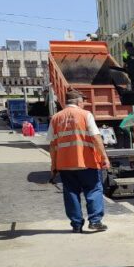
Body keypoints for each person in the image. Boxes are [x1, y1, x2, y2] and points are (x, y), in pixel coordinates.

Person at [48, 90, 111, 233]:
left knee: (71, 192)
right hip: (86, 162)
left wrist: (54, 165)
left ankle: (76, 224)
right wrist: (104, 158)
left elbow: (52, 145)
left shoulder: (56, 118)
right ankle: (95, 221)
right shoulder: (85, 115)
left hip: (65, 164)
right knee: (93, 189)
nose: (84, 103)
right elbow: (96, 138)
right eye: (83, 101)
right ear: (77, 102)